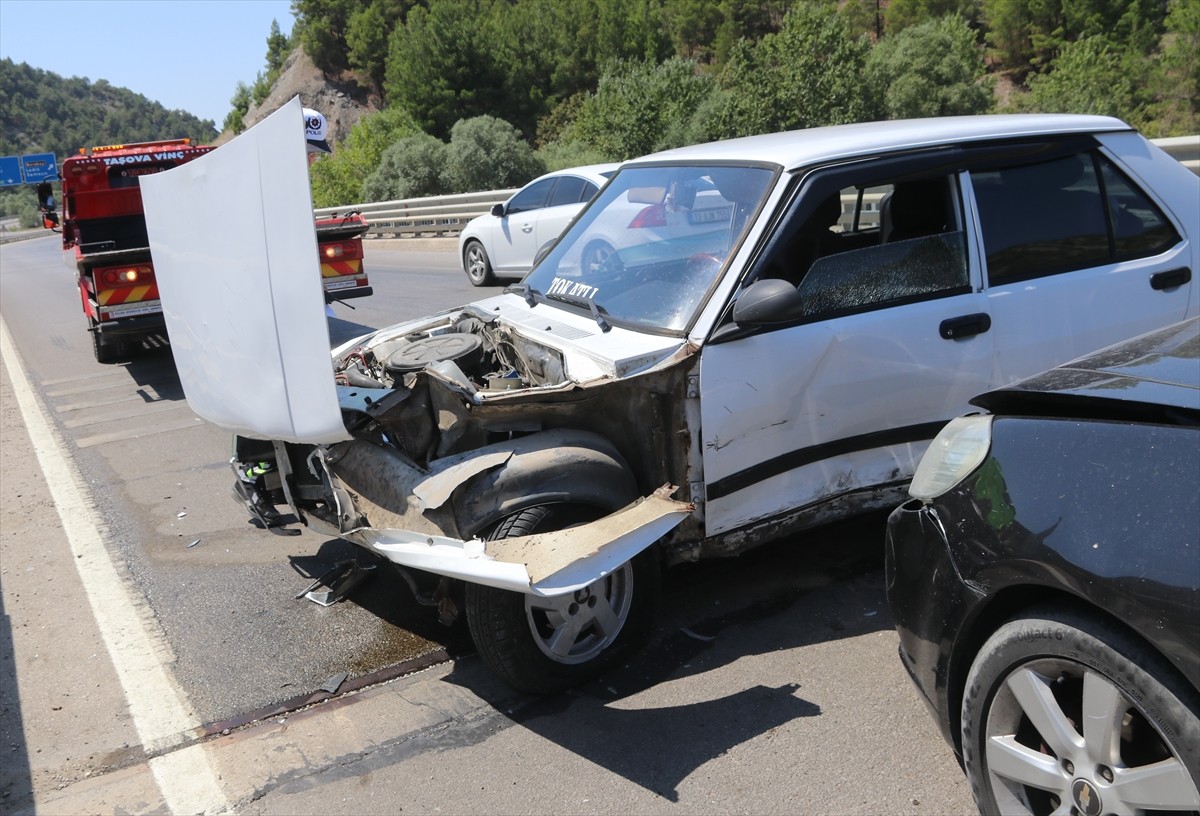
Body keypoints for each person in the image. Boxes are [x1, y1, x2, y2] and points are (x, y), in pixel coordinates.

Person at [231, 105, 333, 532]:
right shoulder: (251, 193)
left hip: (298, 306)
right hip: (263, 311)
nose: (312, 160)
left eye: (313, 152)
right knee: (263, 400)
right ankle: (250, 478)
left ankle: (302, 477)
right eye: (305, 152)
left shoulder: (292, 191)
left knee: (308, 393)